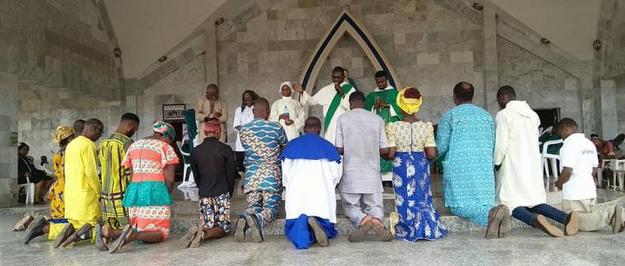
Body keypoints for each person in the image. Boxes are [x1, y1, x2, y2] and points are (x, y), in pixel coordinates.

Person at [490, 86, 577, 238]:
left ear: (502, 99)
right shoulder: (532, 115)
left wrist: (496, 162)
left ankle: (535, 220)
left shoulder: (504, 114)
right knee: (534, 200)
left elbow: (501, 145)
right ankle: (565, 218)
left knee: (509, 203)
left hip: (512, 165)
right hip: (531, 165)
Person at [384, 87, 448, 241]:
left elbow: (391, 153)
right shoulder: (426, 127)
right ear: (418, 104)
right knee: (421, 196)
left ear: (400, 105)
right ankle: (425, 227)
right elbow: (432, 153)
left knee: (404, 198)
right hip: (420, 164)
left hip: (401, 165)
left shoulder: (393, 127)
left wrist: (385, 156)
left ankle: (408, 228)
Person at [105, 121, 180, 254]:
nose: (169, 143)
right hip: (155, 190)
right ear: (165, 135)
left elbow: (131, 172)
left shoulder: (134, 145)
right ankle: (134, 236)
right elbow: (170, 179)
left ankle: (111, 232)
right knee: (161, 231)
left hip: (135, 190)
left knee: (139, 226)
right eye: (170, 140)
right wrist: (164, 197)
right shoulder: (164, 147)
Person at [335, 91, 393, 242]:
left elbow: (339, 149)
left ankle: (363, 220)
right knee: (375, 205)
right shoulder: (377, 119)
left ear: (350, 104)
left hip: (351, 173)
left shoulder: (343, 119)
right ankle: (377, 221)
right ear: (364, 103)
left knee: (350, 205)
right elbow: (384, 150)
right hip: (372, 173)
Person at [436, 81, 495, 226]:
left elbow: (441, 147)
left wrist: (428, 158)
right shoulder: (487, 116)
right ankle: (492, 213)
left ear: (455, 97)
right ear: (472, 97)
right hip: (483, 169)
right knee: (484, 202)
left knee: (459, 206)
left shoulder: (450, 116)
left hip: (459, 171)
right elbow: (492, 143)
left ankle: (489, 217)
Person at [555, 118, 625, 233]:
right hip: (589, 190)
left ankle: (611, 214)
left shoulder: (568, 145)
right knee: (586, 218)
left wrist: (559, 183)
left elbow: (567, 171)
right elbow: (594, 168)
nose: (560, 135)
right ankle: (616, 218)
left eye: (560, 131)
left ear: (565, 128)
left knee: (575, 222)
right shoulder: (589, 143)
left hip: (574, 193)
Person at [281, 117, 342, 249]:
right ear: (319, 130)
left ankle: (303, 225)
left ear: (304, 129)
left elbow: (285, 172)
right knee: (328, 229)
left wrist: (288, 185)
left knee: (294, 225)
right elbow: (336, 174)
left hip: (298, 193)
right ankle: (317, 226)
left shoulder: (292, 145)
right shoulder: (328, 146)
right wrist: (330, 186)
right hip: (321, 194)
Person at [235, 97, 288, 243]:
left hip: (251, 175)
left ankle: (245, 219)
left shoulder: (243, 130)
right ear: (268, 111)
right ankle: (257, 220)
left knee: (254, 206)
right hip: (271, 176)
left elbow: (247, 148)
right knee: (271, 209)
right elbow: (285, 147)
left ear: (253, 111)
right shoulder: (276, 127)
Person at [179, 119, 237, 248]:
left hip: (204, 192)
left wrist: (202, 188)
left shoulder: (196, 151)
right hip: (222, 191)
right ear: (218, 131)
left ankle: (202, 230)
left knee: (209, 223)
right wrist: (229, 191)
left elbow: (196, 175)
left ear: (205, 132)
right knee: (223, 226)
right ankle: (204, 234)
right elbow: (231, 174)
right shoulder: (225, 149)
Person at [54, 118, 103, 248]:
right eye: (99, 133)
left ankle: (69, 231)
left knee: (76, 221)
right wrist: (99, 190)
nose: (99, 137)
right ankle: (72, 238)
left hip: (71, 192)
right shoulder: (88, 144)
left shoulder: (72, 144)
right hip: (85, 192)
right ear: (94, 129)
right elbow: (91, 172)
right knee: (92, 221)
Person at [21, 126, 75, 244]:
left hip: (58, 188)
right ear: (70, 138)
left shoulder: (58, 153)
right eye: (73, 136)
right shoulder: (68, 153)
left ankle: (42, 225)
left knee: (60, 217)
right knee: (67, 220)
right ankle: (43, 229)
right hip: (66, 189)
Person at [97, 113, 140, 238]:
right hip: (122, 193)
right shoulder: (127, 143)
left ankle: (106, 237)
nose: (134, 132)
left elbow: (100, 164)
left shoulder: (103, 143)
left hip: (106, 194)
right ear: (130, 125)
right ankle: (123, 240)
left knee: (110, 224)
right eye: (135, 129)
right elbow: (130, 169)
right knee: (126, 226)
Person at [294, 66, 356, 145]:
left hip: (344, 125)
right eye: (334, 77)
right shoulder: (327, 89)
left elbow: (352, 107)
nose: (336, 80)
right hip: (330, 126)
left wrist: (342, 93)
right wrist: (302, 92)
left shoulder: (350, 89)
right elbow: (312, 101)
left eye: (338, 77)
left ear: (343, 77)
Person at [365, 70, 402, 181]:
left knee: (391, 146)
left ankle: (391, 177)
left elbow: (400, 109)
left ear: (386, 80)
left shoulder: (394, 93)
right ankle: (380, 176)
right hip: (376, 128)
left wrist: (387, 105)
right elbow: (366, 110)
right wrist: (373, 107)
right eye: (378, 82)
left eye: (382, 81)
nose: (380, 84)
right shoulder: (371, 96)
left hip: (390, 126)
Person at [233, 90, 258, 172]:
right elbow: (237, 125)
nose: (247, 101)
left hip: (254, 140)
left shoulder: (257, 109)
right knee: (241, 165)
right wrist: (246, 131)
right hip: (241, 141)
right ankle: (242, 183)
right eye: (245, 100)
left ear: (254, 99)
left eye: (249, 99)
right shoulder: (239, 110)